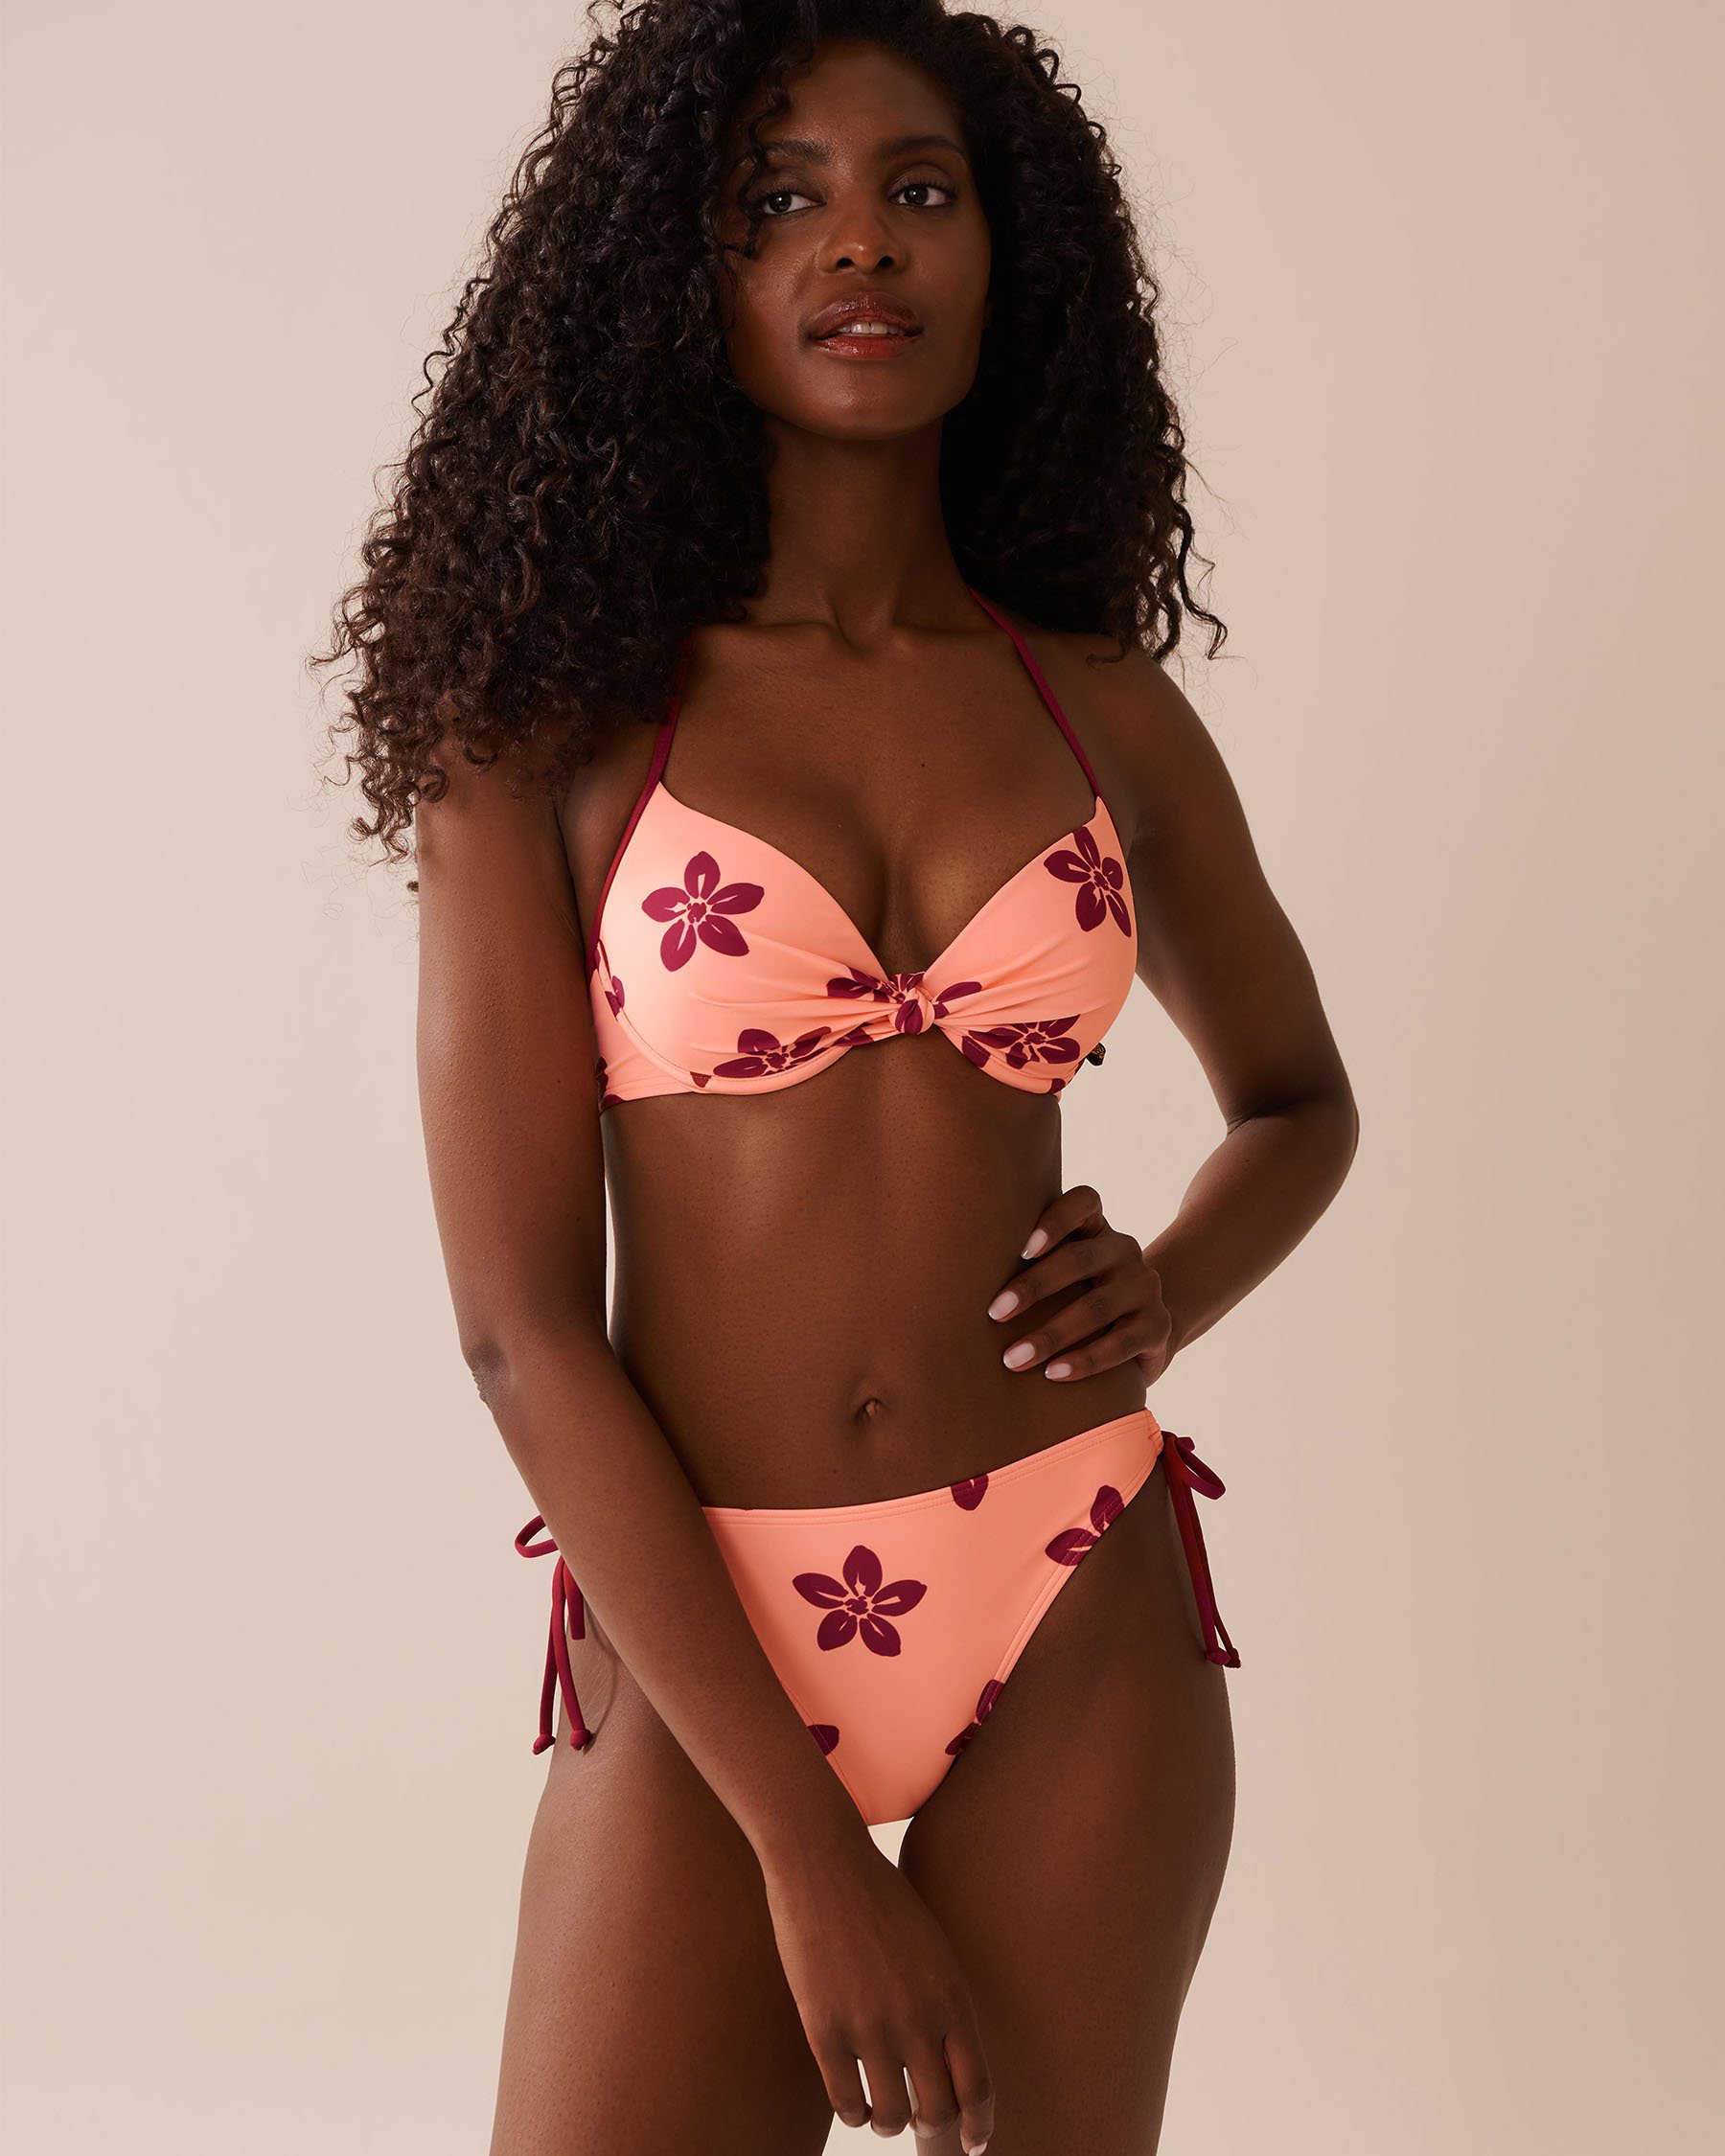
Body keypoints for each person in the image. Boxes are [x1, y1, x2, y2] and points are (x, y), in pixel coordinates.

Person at [316, 4, 1359, 2148]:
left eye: (920, 192)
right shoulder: (545, 729)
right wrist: (805, 1855)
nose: (858, 244)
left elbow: (1297, 1099)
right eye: (777, 200)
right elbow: (520, 1332)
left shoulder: (1099, 710)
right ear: (676, 276)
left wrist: (1170, 1286)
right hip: (706, 1637)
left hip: (1071, 1587)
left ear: (1005, 257)